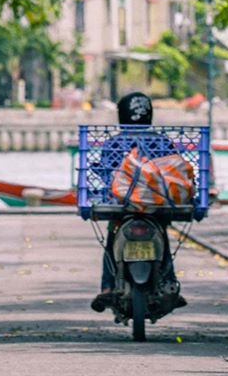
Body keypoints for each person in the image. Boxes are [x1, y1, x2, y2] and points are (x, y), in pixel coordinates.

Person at [90, 91, 186, 312]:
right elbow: (174, 170)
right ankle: (169, 280)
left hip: (123, 206)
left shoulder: (114, 144)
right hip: (155, 204)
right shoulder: (162, 142)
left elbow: (106, 174)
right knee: (161, 233)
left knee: (112, 238)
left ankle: (106, 288)